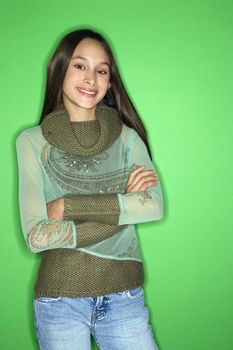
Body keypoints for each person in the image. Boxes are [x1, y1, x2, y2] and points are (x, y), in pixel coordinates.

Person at [16, 28, 164, 350]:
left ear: (110, 83)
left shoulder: (128, 139)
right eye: (80, 66)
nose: (91, 79)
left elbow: (153, 206)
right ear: (60, 69)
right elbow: (36, 236)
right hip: (59, 302)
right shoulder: (31, 142)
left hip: (125, 297)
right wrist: (123, 203)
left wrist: (68, 206)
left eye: (102, 71)